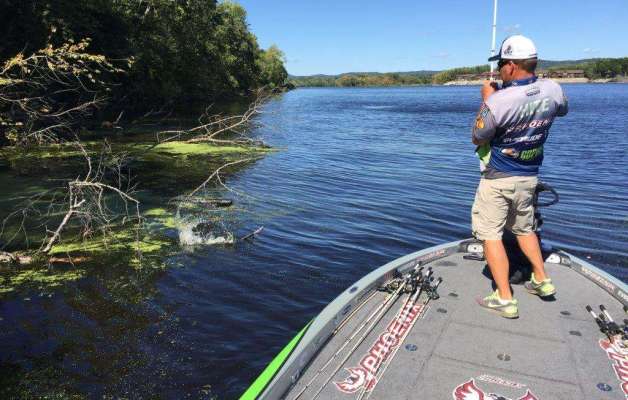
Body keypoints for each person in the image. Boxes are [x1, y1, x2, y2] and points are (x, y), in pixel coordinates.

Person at [471, 35, 569, 318]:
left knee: (490, 235)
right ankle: (542, 279)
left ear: (512, 65)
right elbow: (562, 109)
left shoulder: (498, 101)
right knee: (524, 229)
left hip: (498, 178)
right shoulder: (552, 89)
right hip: (529, 176)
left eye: (501, 64)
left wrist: (487, 100)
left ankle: (504, 297)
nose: (499, 69)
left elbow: (477, 136)